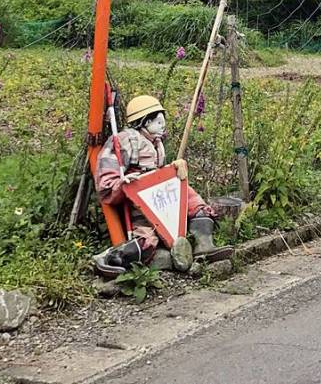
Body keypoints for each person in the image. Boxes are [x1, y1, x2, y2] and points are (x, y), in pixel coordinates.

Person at [92, 94, 233, 277]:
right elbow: (106, 180)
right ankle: (111, 259)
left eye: (163, 122)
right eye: (157, 122)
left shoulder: (157, 144)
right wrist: (120, 183)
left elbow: (159, 172)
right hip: (140, 199)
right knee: (146, 239)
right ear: (143, 122)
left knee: (194, 202)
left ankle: (204, 245)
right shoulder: (126, 140)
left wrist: (174, 168)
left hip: (163, 194)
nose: (162, 127)